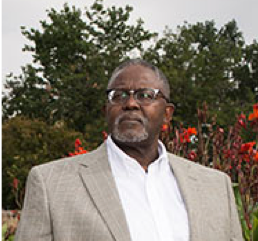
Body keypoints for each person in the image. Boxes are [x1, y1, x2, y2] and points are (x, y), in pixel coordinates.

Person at [15, 59, 243, 241]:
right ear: (107, 109)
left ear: (167, 113)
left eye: (146, 95)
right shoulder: (51, 184)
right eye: (119, 95)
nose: (131, 103)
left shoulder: (215, 187)